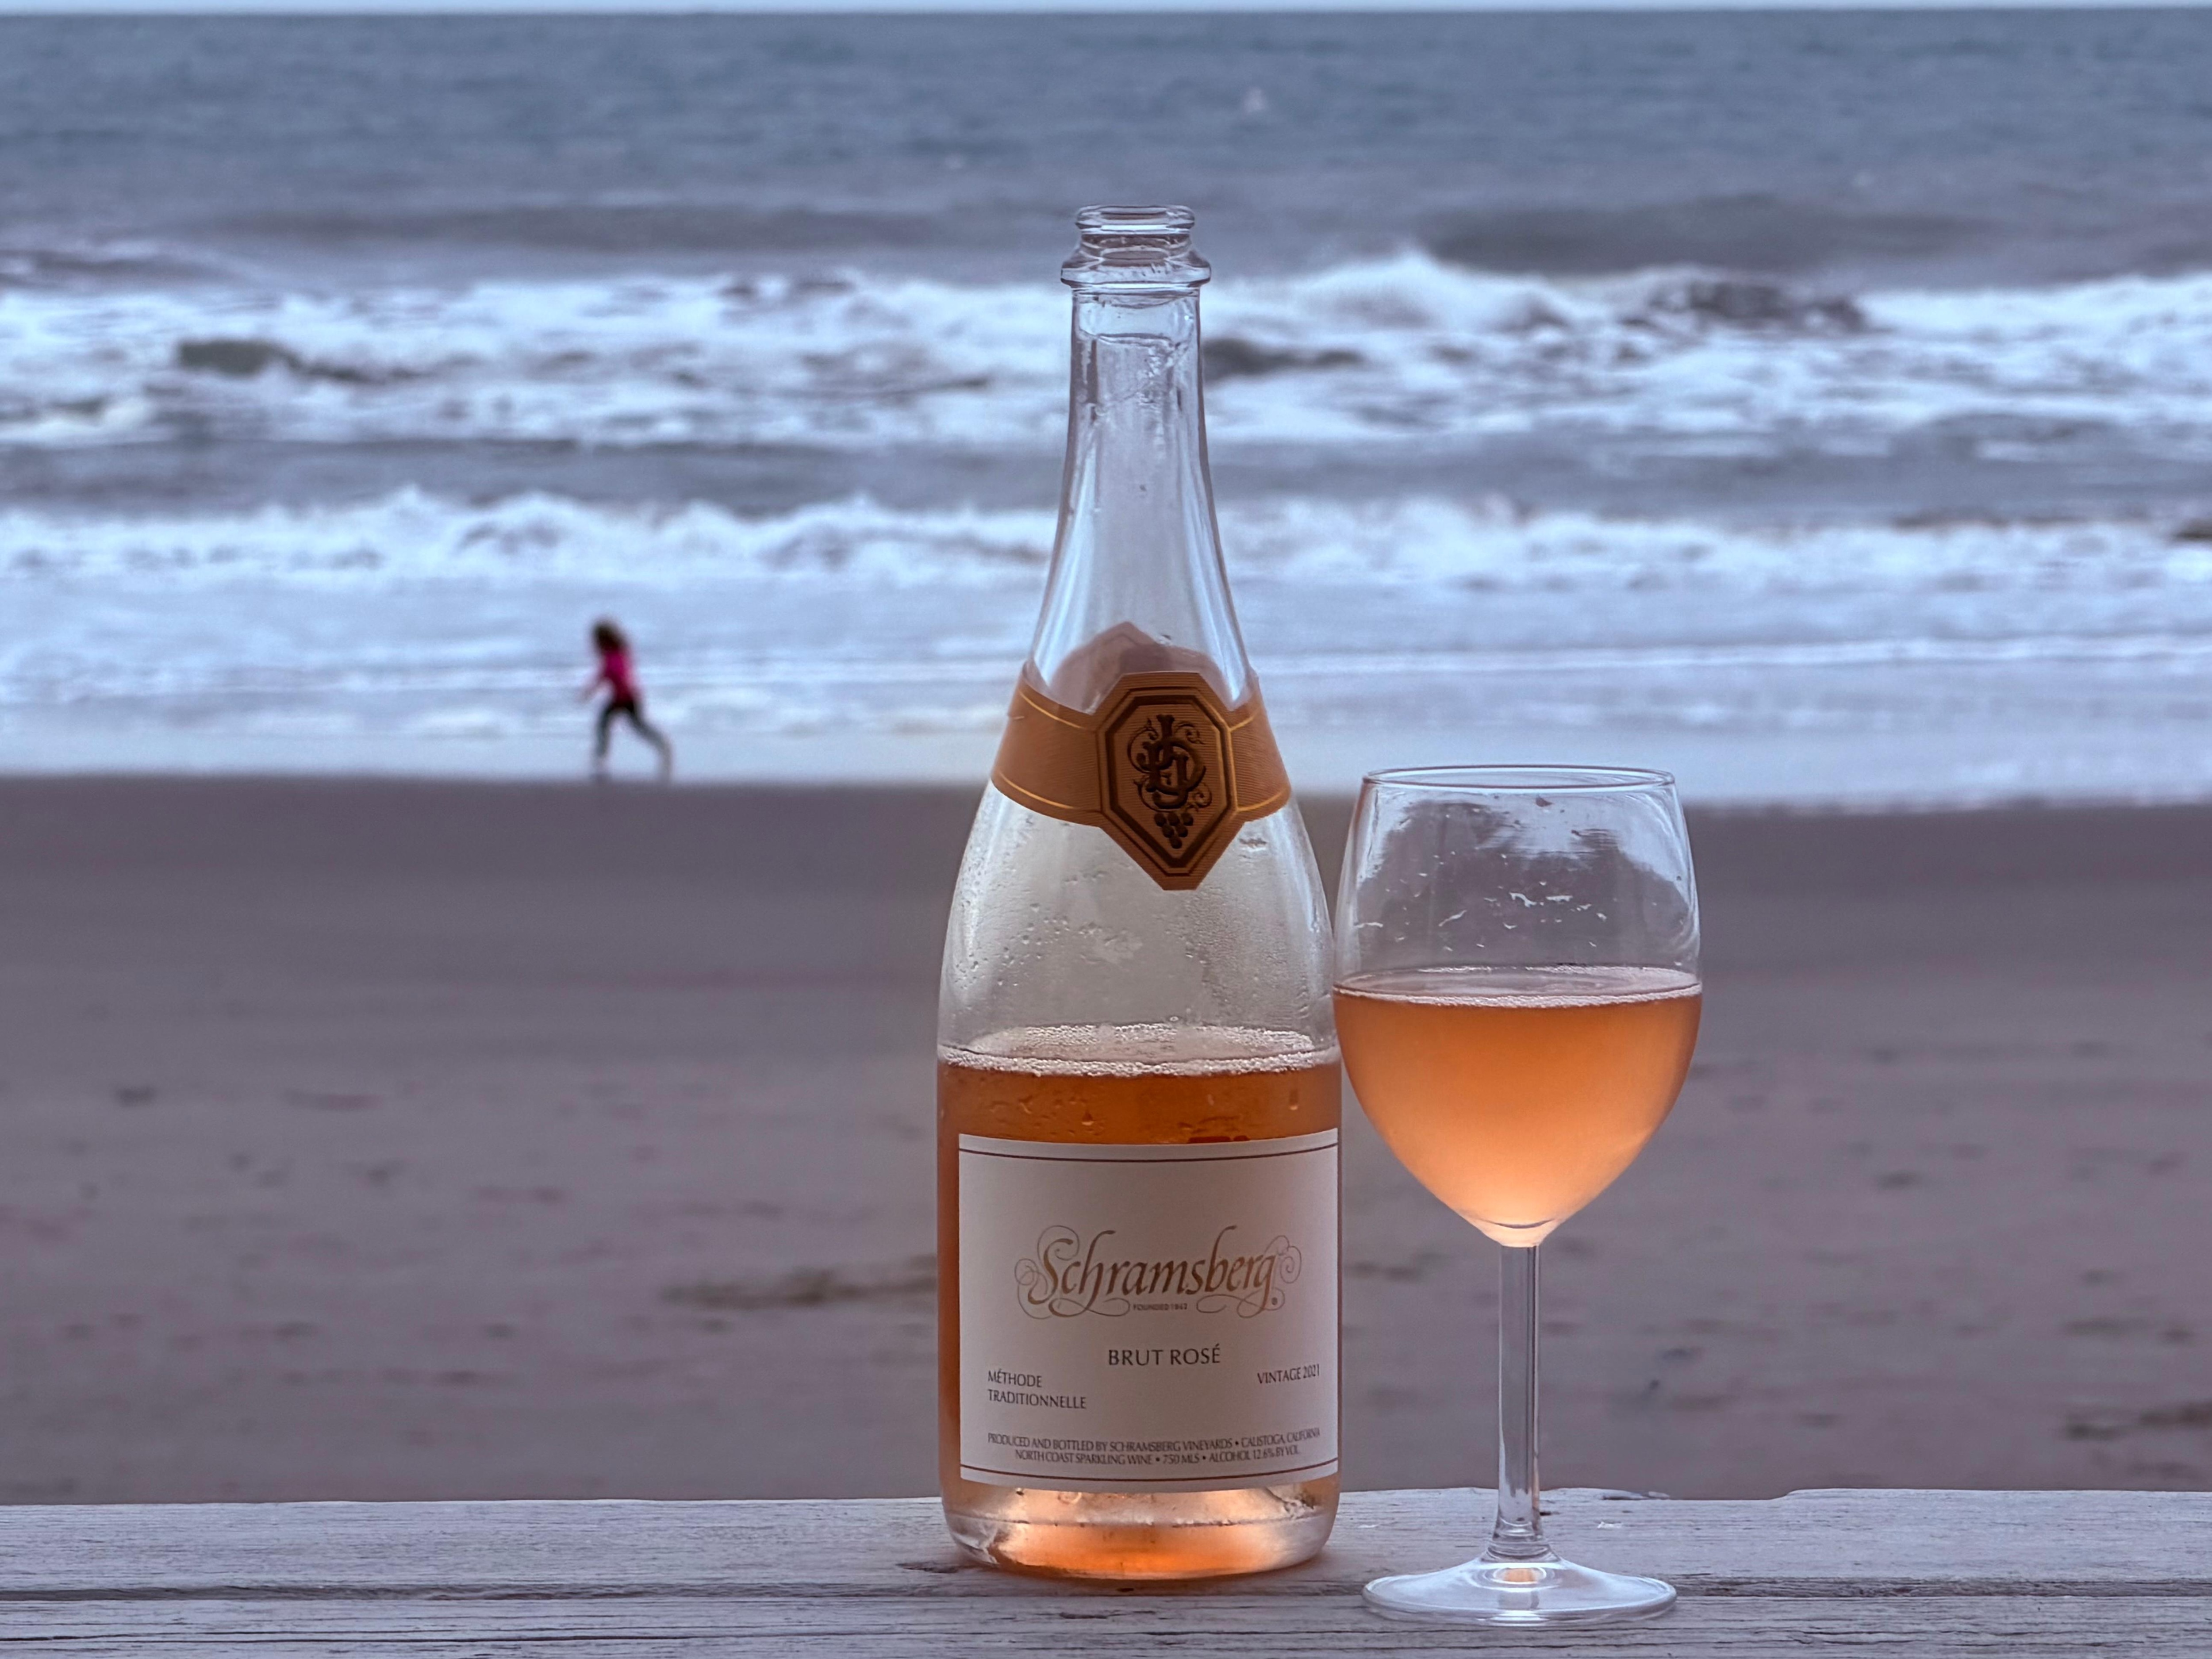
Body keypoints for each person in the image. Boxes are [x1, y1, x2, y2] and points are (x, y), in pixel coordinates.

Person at [582, 619, 673, 781]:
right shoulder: (614, 654)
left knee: (634, 726)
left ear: (603, 640)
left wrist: (594, 692)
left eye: (596, 640)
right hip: (623, 697)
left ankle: (663, 745)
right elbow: (602, 677)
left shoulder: (615, 656)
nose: (594, 644)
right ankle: (600, 761)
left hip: (627, 698)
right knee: (606, 725)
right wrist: (590, 691)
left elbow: (616, 675)